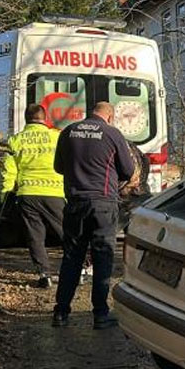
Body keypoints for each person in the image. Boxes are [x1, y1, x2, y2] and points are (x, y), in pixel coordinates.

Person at [52, 101, 135, 329]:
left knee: (71, 258)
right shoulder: (112, 133)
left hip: (75, 202)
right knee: (103, 258)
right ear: (109, 117)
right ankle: (100, 314)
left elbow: (58, 166)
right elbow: (128, 170)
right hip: (103, 203)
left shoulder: (68, 131)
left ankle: (61, 312)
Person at [2, 104, 65, 288]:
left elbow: (9, 172)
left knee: (35, 236)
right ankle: (77, 269)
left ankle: (44, 273)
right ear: (44, 118)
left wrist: (5, 196)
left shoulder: (16, 140)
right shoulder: (57, 137)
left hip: (27, 194)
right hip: (55, 193)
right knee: (66, 234)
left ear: (26, 118)